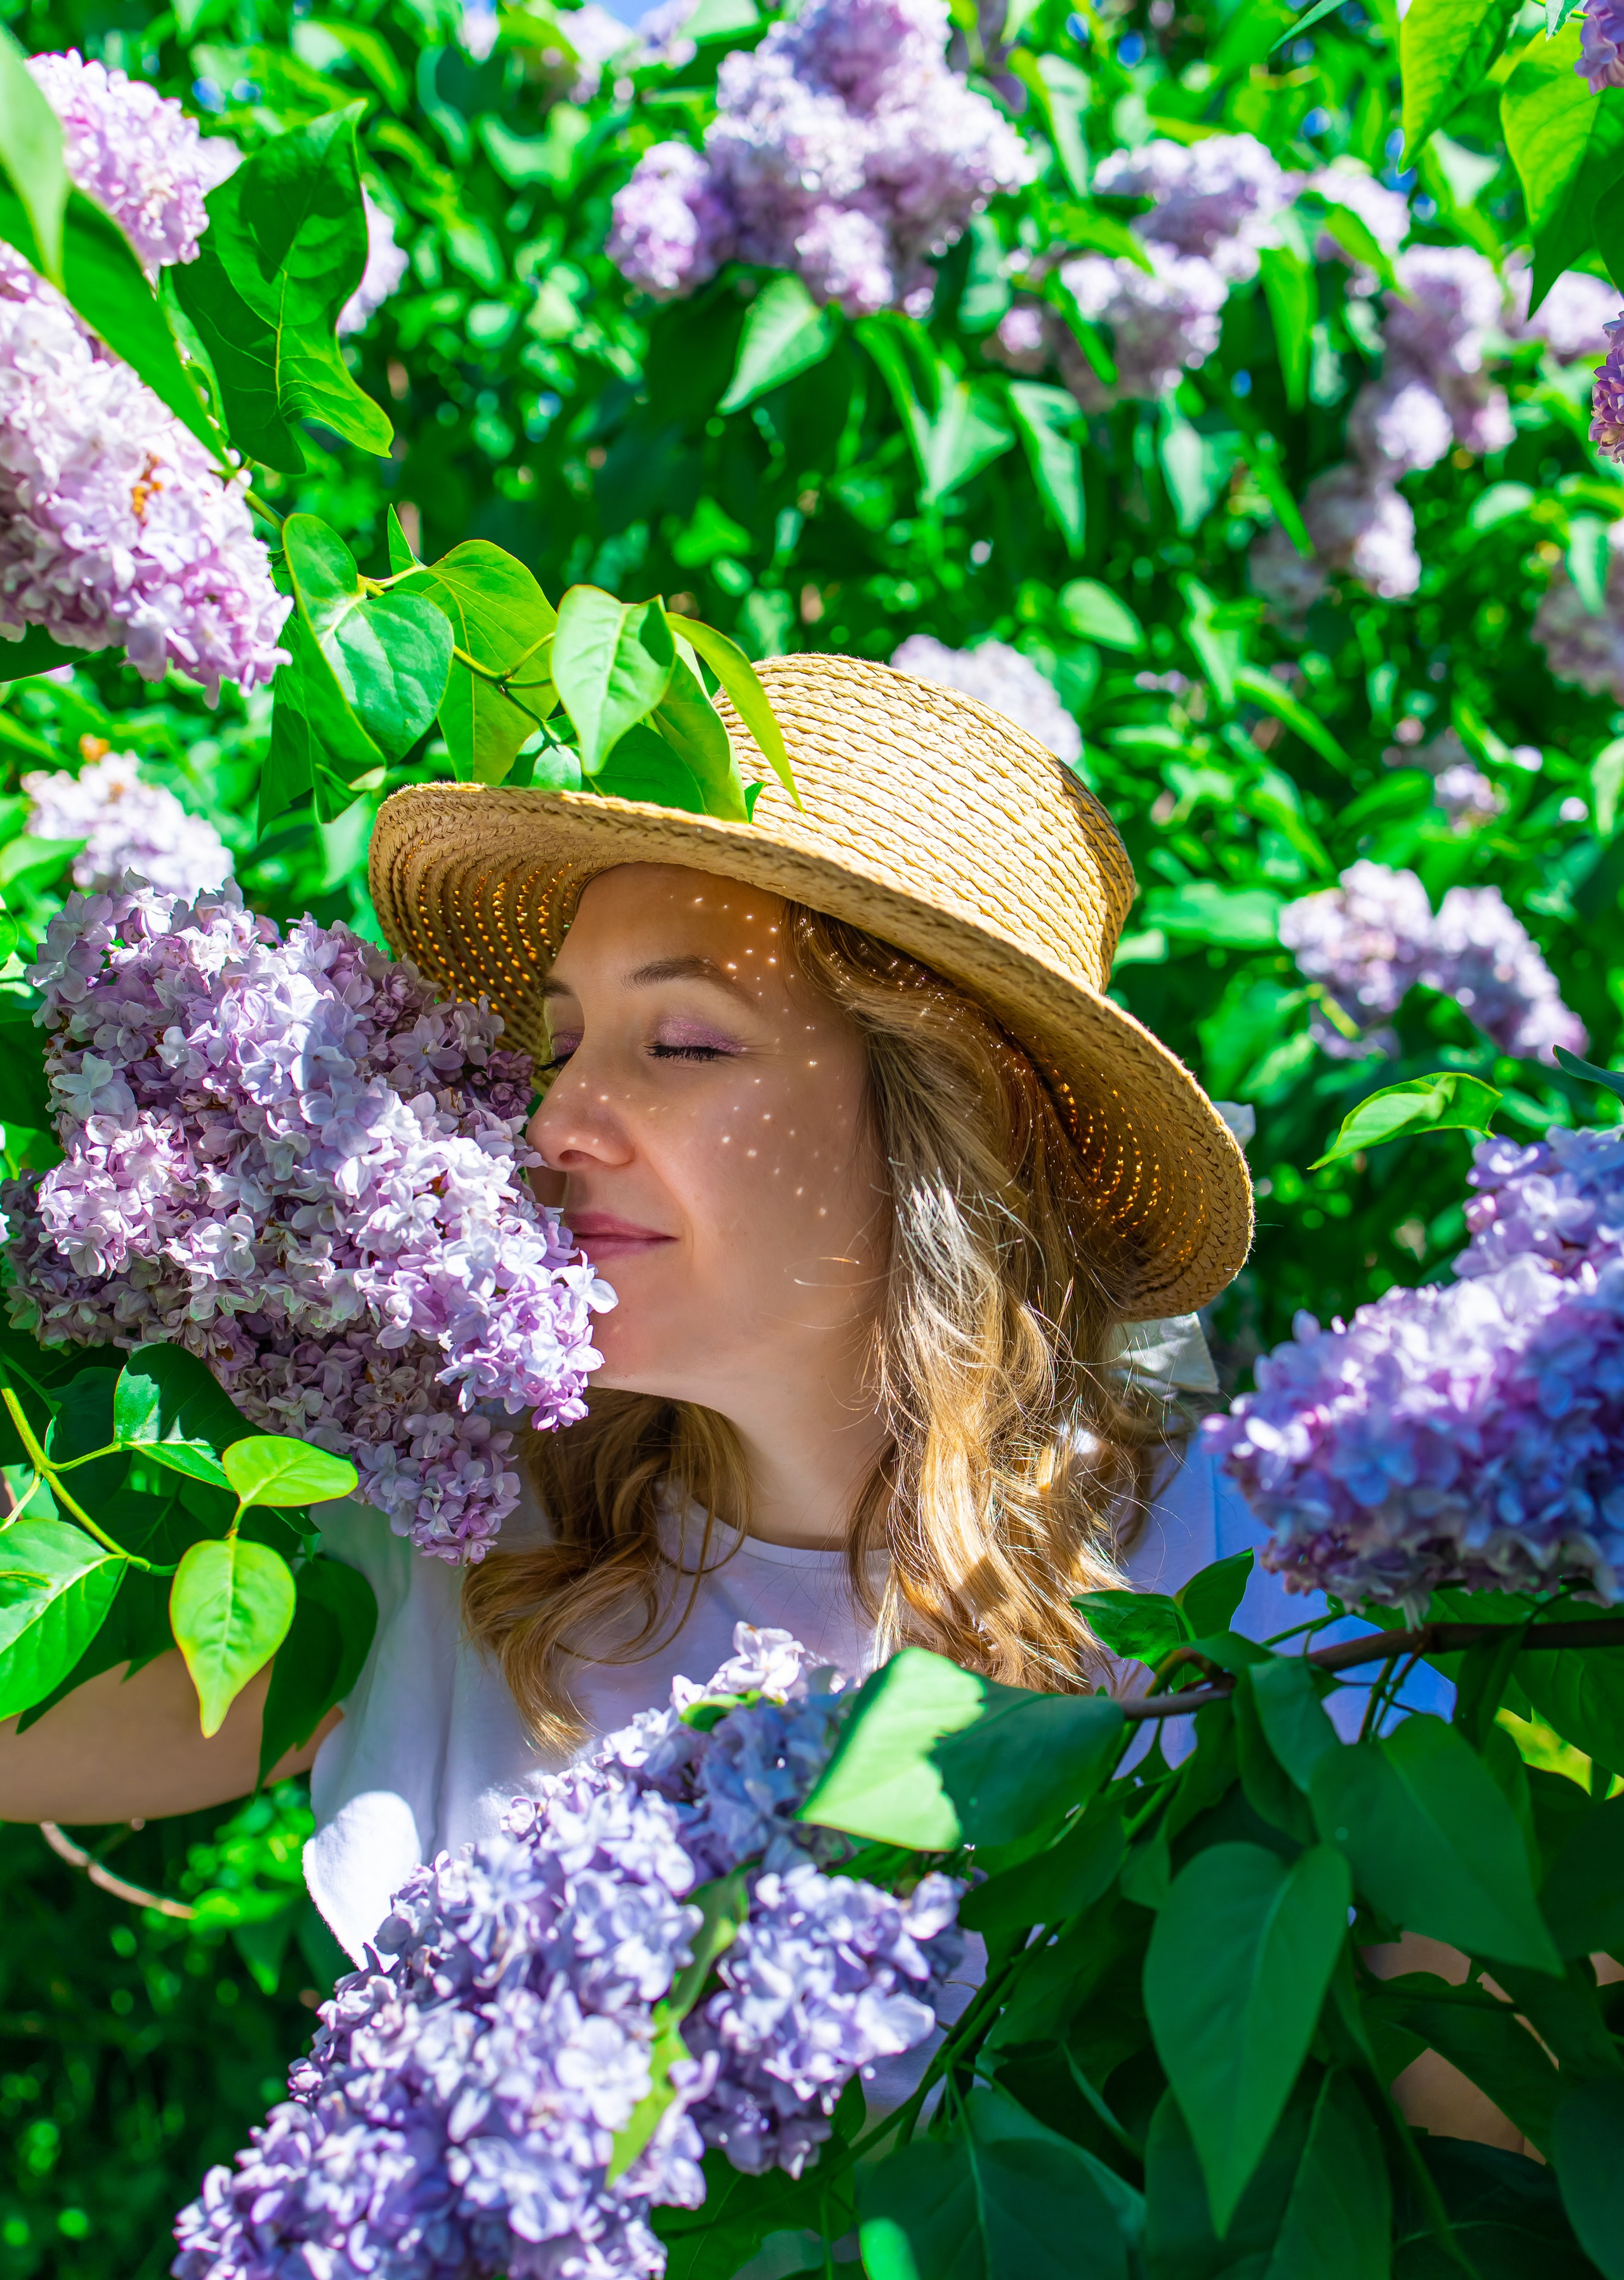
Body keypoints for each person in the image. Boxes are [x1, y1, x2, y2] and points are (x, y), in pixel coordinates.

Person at [1, 653, 1447, 1955]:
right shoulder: (449, 1532)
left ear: (951, 1121)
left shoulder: (1264, 1611)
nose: (557, 1118)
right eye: (562, 1043)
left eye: (682, 1041)